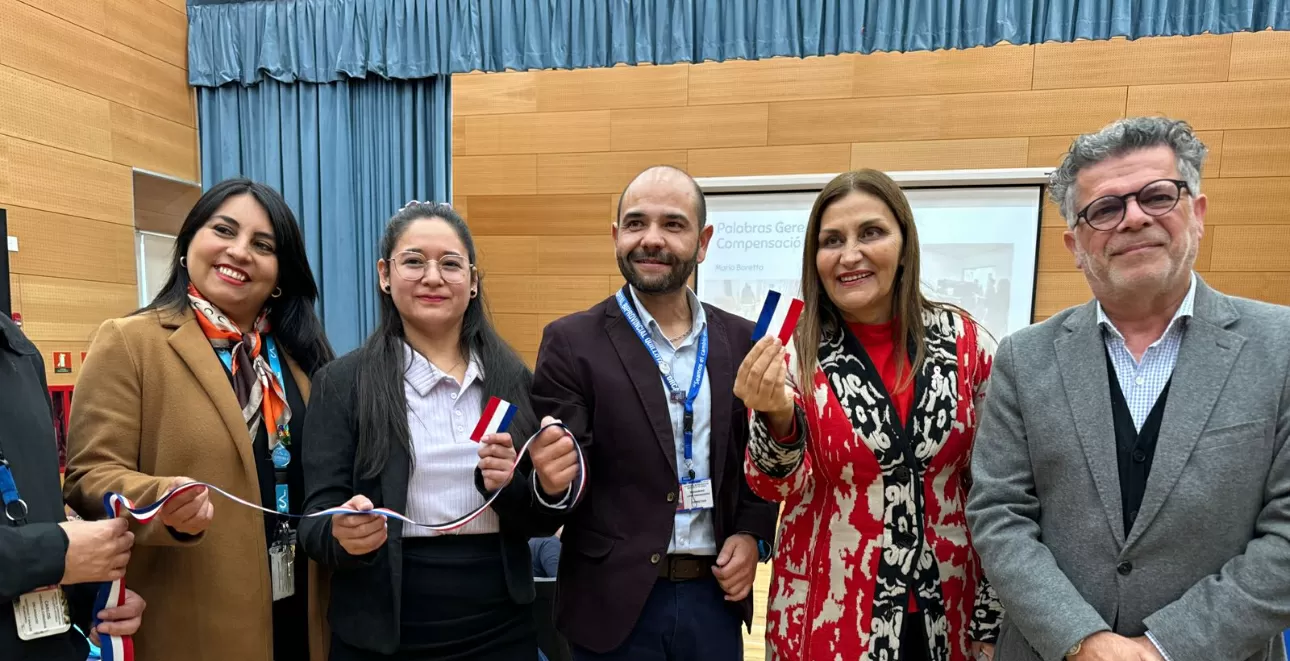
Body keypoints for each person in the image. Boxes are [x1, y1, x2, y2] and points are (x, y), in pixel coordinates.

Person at [966, 116, 1290, 661]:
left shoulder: (1280, 347)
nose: (1134, 218)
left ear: (1197, 213)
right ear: (1075, 244)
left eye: (1157, 196)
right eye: (1106, 209)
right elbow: (999, 515)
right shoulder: (1024, 358)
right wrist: (1082, 640)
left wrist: (1164, 647)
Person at [62, 178, 335, 661]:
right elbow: (88, 477)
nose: (240, 251)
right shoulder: (131, 342)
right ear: (188, 244)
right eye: (224, 230)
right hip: (194, 620)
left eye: (263, 245)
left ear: (280, 273)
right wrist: (160, 500)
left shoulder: (303, 357)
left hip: (302, 609)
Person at [736, 169, 1002, 661]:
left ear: (904, 243)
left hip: (950, 609)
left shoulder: (966, 344)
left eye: (871, 233)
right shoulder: (791, 348)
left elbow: (1001, 487)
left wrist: (991, 614)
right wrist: (778, 418)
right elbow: (773, 486)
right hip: (828, 614)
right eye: (832, 240)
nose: (849, 254)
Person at [298, 202, 574, 661]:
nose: (432, 277)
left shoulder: (511, 380)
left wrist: (541, 487)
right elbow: (314, 522)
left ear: (473, 280)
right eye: (413, 261)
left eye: (450, 264)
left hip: (500, 624)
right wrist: (341, 533)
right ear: (385, 275)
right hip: (384, 629)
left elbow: (538, 521)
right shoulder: (342, 384)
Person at [530, 165, 779, 660]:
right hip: (611, 603)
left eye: (673, 224)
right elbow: (563, 481)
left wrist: (753, 534)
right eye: (636, 223)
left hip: (714, 597)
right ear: (616, 236)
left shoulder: (742, 339)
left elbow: (757, 456)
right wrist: (551, 481)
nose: (651, 239)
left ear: (703, 242)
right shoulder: (571, 342)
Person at [0, 313, 145, 660]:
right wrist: (52, 554)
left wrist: (93, 598)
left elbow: (36, 509)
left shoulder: (20, 351)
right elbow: (49, 548)